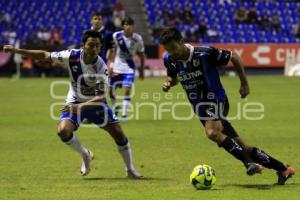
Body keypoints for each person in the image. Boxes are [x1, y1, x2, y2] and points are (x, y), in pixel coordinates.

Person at [159, 27, 295, 185]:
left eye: (173, 48)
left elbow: (234, 56)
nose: (172, 52)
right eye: (168, 49)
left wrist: (244, 83)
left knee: (212, 133)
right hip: (200, 108)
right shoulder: (170, 59)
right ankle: (283, 169)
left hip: (216, 99)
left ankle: (249, 163)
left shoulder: (204, 53)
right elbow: (174, 76)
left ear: (181, 41)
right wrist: (169, 82)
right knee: (243, 146)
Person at [3, 30, 143, 179]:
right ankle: (85, 154)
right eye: (91, 45)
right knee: (63, 130)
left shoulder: (101, 67)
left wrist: (80, 107)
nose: (94, 49)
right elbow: (44, 55)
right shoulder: (71, 56)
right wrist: (16, 50)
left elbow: (101, 97)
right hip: (75, 100)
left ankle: (130, 169)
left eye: (97, 46)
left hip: (95, 104)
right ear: (83, 45)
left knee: (119, 134)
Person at [107, 16, 145, 121]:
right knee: (110, 90)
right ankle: (115, 107)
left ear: (133, 26)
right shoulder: (116, 36)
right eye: (126, 24)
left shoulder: (138, 39)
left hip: (129, 68)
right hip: (116, 67)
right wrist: (110, 65)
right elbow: (112, 51)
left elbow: (141, 54)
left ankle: (124, 115)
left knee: (127, 89)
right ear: (123, 26)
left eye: (130, 24)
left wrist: (141, 71)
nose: (128, 26)